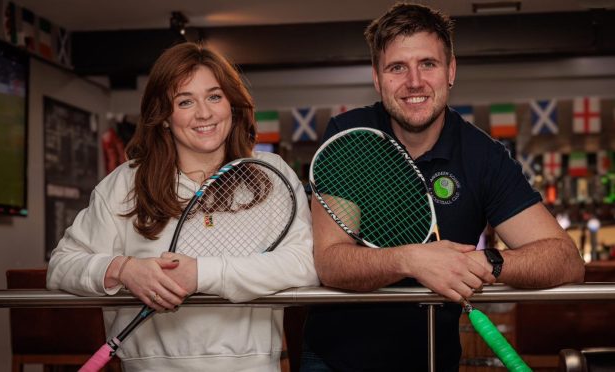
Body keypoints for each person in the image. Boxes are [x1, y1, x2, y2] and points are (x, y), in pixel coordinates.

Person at [301, 3, 585, 371]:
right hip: (334, 360)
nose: (414, 81)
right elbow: (331, 263)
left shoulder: (484, 156)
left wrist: (484, 263)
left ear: (450, 71)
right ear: (377, 78)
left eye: (428, 64)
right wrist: (412, 260)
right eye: (397, 67)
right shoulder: (348, 137)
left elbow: (565, 260)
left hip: (432, 359)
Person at [47, 42, 319, 372]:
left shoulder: (270, 175)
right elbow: (61, 267)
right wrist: (123, 269)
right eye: (185, 101)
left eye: (215, 96)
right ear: (163, 116)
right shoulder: (124, 183)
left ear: (231, 104)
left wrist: (201, 274)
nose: (204, 113)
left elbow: (305, 265)